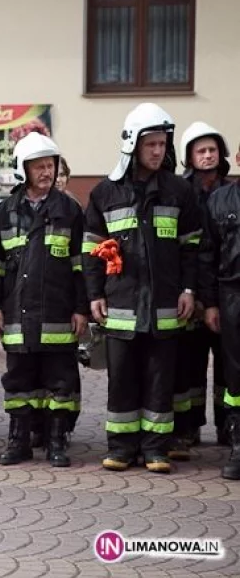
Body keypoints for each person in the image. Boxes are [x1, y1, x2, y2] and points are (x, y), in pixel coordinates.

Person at [84, 103, 202, 474]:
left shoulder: (179, 191)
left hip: (166, 307)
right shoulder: (105, 193)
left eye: (162, 144)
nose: (158, 151)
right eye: (150, 144)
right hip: (121, 305)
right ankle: (121, 448)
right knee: (122, 380)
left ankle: (155, 449)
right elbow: (91, 250)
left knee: (160, 380)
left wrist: (188, 290)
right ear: (133, 144)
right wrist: (94, 294)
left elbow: (193, 248)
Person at [0, 133, 87, 467]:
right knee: (19, 380)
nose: (47, 172)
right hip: (16, 313)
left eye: (51, 166)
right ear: (22, 169)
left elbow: (81, 265)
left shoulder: (69, 210)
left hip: (58, 313)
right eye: (39, 166)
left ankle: (57, 441)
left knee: (61, 381)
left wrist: (81, 309)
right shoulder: (5, 212)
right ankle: (19, 441)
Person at [177, 123, 229, 453]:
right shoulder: (180, 193)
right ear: (190, 157)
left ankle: (228, 426)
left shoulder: (232, 191)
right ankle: (188, 428)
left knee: (228, 366)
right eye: (201, 151)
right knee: (189, 366)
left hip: (227, 296)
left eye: (212, 150)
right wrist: (192, 293)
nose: (207, 155)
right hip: (192, 296)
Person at [200, 135, 240, 480]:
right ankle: (238, 445)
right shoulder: (220, 200)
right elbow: (207, 257)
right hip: (232, 296)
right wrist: (210, 303)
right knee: (235, 373)